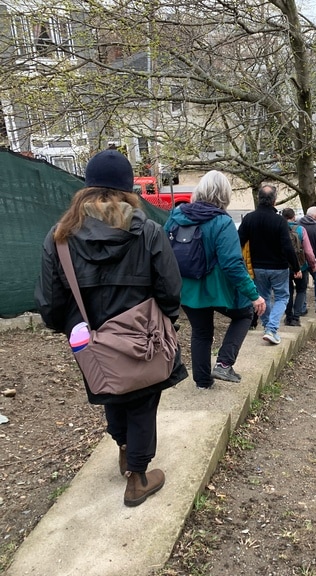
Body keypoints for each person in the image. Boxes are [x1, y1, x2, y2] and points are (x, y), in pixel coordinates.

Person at [35, 149, 188, 507]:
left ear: (85, 189)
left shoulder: (59, 237)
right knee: (143, 399)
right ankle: (137, 476)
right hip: (142, 336)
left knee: (110, 389)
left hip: (89, 338)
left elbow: (50, 303)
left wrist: (75, 330)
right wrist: (164, 320)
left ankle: (123, 447)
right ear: (128, 191)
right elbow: (170, 290)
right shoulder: (148, 231)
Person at [164, 170, 266, 389]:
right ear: (224, 195)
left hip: (186, 289)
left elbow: (163, 251)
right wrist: (253, 295)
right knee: (246, 313)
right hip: (216, 289)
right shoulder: (221, 222)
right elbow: (232, 264)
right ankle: (224, 363)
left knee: (201, 332)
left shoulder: (176, 215)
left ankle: (202, 382)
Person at [238, 184, 301, 345]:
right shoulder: (280, 221)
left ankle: (267, 327)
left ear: (259, 198)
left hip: (257, 267)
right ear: (274, 200)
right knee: (282, 297)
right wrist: (296, 267)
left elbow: (238, 241)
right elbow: (288, 247)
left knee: (263, 297)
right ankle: (272, 329)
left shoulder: (249, 219)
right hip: (279, 267)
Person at [282, 208, 316, 327]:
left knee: (288, 292)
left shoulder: (279, 230)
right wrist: (313, 265)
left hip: (285, 267)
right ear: (294, 217)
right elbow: (308, 251)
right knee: (301, 290)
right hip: (301, 267)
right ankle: (296, 317)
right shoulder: (301, 230)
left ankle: (288, 316)